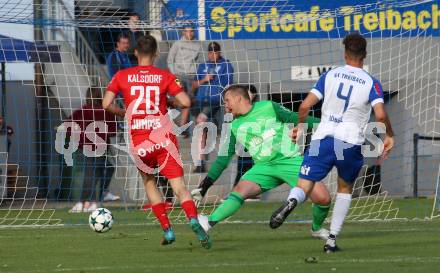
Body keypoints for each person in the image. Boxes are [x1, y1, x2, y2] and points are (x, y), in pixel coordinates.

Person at [269, 33, 395, 253]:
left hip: (322, 139)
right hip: (349, 142)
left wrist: (299, 127)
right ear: (364, 55)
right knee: (345, 189)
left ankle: (291, 202)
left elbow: (304, 106)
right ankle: (332, 240)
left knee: (304, 185)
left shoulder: (330, 75)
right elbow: (381, 114)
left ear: (345, 53)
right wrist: (390, 135)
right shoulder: (371, 82)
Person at [102, 35, 211, 248]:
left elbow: (106, 104)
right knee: (179, 186)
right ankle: (192, 219)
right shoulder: (164, 76)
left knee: (150, 183)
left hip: (140, 140)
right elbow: (186, 101)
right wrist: (170, 102)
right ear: (156, 54)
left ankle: (168, 230)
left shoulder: (122, 75)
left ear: (135, 53)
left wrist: (124, 112)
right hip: (163, 139)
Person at [191, 85, 331, 240]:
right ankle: (207, 223)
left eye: (227, 101)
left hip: (290, 161)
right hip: (263, 168)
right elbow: (222, 160)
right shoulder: (233, 126)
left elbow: (296, 119)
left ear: (239, 98)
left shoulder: (269, 106)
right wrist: (204, 187)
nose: (225, 105)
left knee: (323, 198)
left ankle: (316, 229)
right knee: (239, 191)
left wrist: (332, 126)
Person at [69, 87, 118, 213]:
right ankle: (91, 201)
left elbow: (68, 127)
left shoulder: (80, 111)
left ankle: (85, 202)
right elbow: (113, 132)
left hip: (83, 147)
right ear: (100, 96)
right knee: (97, 173)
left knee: (90, 174)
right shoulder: (106, 111)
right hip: (100, 147)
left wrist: (78, 136)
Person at [191, 41, 234, 172]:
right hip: (200, 101)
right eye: (210, 52)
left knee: (202, 121)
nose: (212, 55)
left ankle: (210, 161)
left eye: (215, 52)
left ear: (219, 53)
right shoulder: (202, 66)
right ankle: (200, 162)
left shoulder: (226, 65)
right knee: (200, 128)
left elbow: (228, 85)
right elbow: (194, 84)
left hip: (214, 101)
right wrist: (205, 79)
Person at [167, 25, 202, 138]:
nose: (190, 33)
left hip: (191, 76)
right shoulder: (178, 44)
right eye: (187, 31)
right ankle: (172, 121)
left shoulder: (197, 45)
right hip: (178, 76)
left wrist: (196, 74)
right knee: (178, 100)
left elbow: (199, 61)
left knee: (188, 102)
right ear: (183, 32)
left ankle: (181, 127)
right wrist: (174, 75)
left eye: (192, 31)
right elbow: (170, 60)